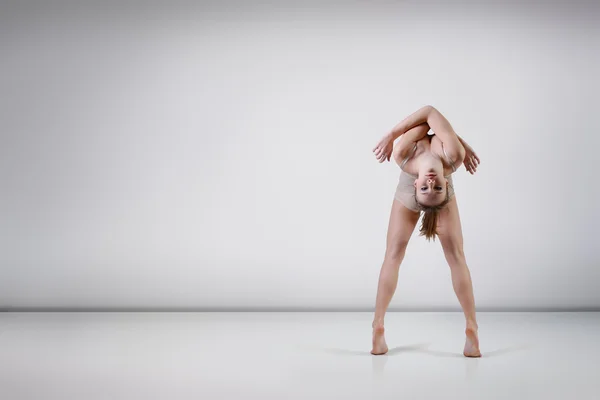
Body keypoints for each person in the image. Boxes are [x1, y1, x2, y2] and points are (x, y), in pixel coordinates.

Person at [370, 105, 482, 357]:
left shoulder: (403, 154)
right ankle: (472, 327)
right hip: (445, 155)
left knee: (394, 254)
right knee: (453, 256)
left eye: (427, 188)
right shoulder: (452, 157)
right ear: (445, 182)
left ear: (416, 186)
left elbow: (426, 120)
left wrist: (393, 134)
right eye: (435, 187)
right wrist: (454, 140)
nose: (431, 183)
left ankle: (378, 326)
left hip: (417, 158)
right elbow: (430, 117)